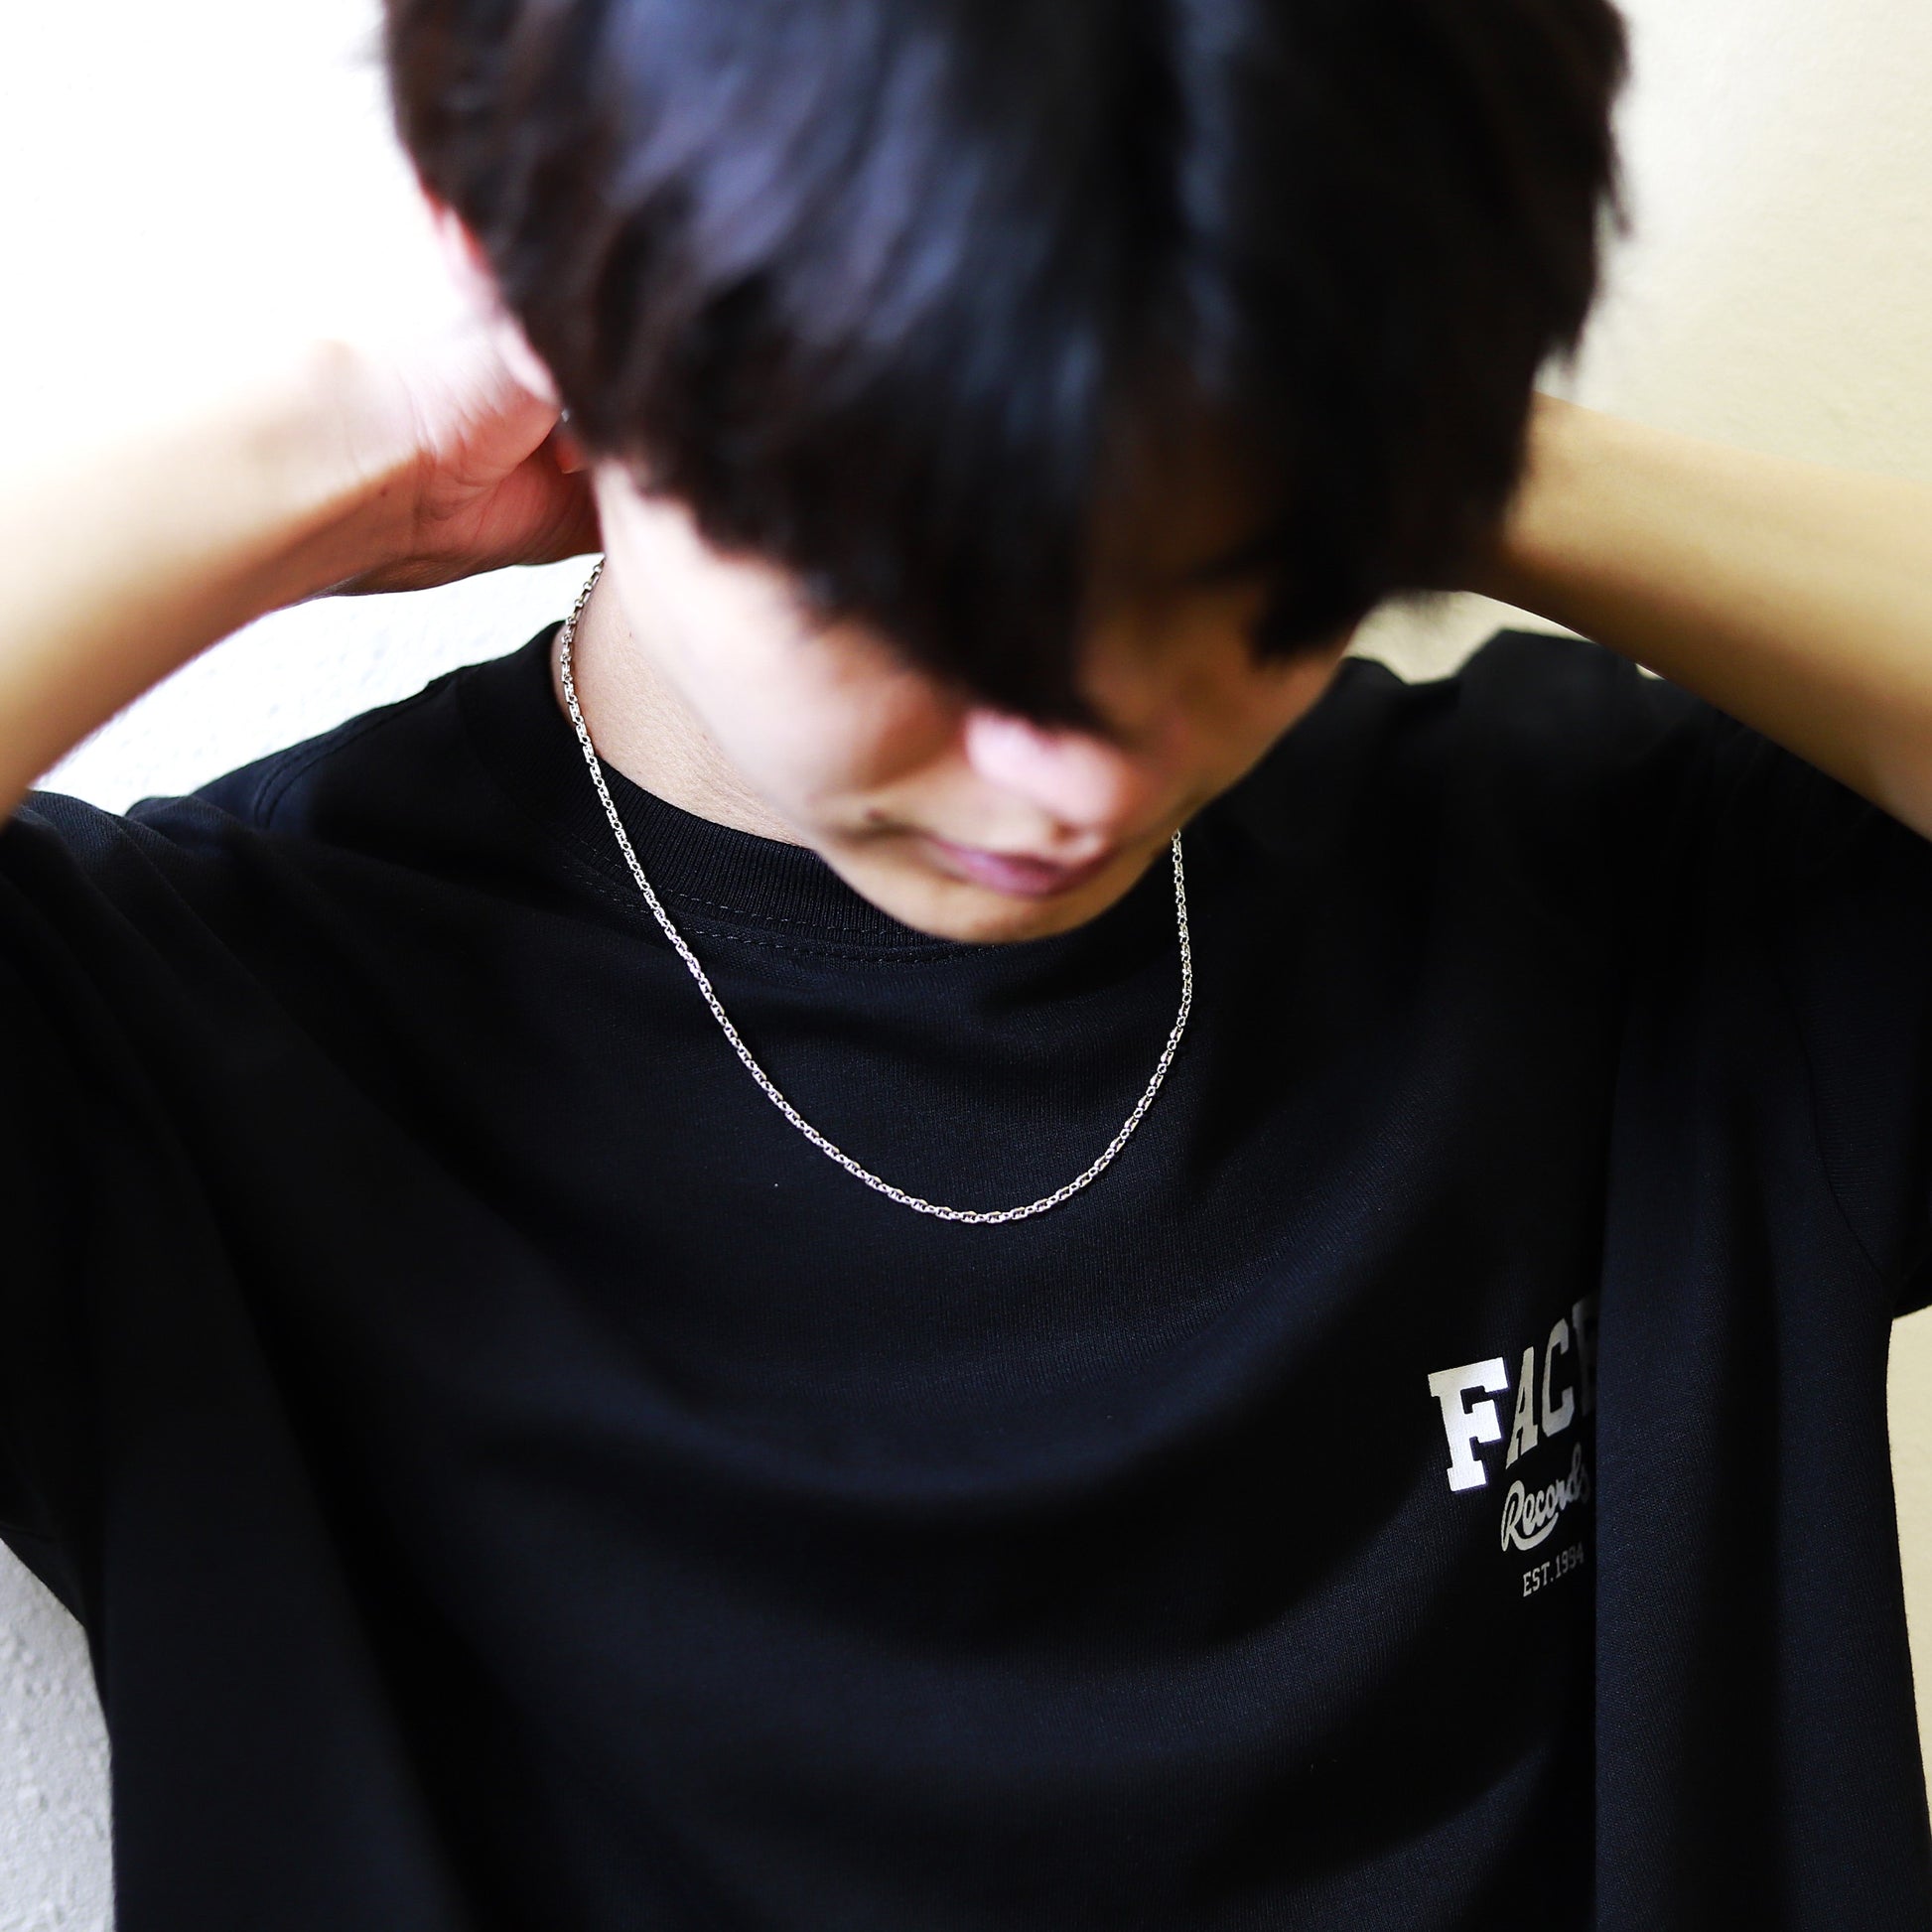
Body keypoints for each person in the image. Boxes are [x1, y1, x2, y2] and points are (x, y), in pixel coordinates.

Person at [4, 0, 1931, 1925]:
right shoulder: (202, 1034)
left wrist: (1397, 403)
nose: (1079, 772)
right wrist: (352, 434)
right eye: (930, 591)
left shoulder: (1639, 906)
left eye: (1248, 572)